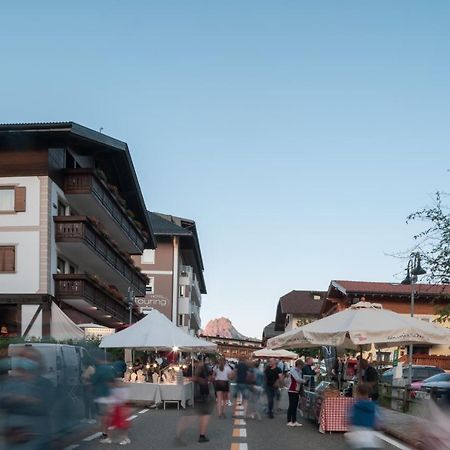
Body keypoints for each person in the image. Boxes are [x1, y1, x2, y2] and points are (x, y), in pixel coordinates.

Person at [176, 360, 213, 444]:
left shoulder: (200, 368)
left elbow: (202, 378)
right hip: (203, 394)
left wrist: (192, 378)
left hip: (199, 394)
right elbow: (205, 379)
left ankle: (181, 434)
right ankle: (200, 436)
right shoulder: (203, 368)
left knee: (197, 416)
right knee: (200, 416)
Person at [345, 383, 382, 449]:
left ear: (358, 394)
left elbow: (349, 419)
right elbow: (378, 421)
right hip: (369, 435)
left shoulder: (355, 406)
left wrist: (349, 427)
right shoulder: (373, 406)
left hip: (357, 435)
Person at [287, 359, 304, 427]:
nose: (302, 367)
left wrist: (302, 381)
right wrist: (304, 381)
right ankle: (289, 421)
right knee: (291, 405)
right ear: (299, 365)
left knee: (295, 406)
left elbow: (299, 379)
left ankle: (294, 420)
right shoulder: (293, 370)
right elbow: (297, 379)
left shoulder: (299, 371)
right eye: (301, 366)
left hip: (296, 390)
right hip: (291, 389)